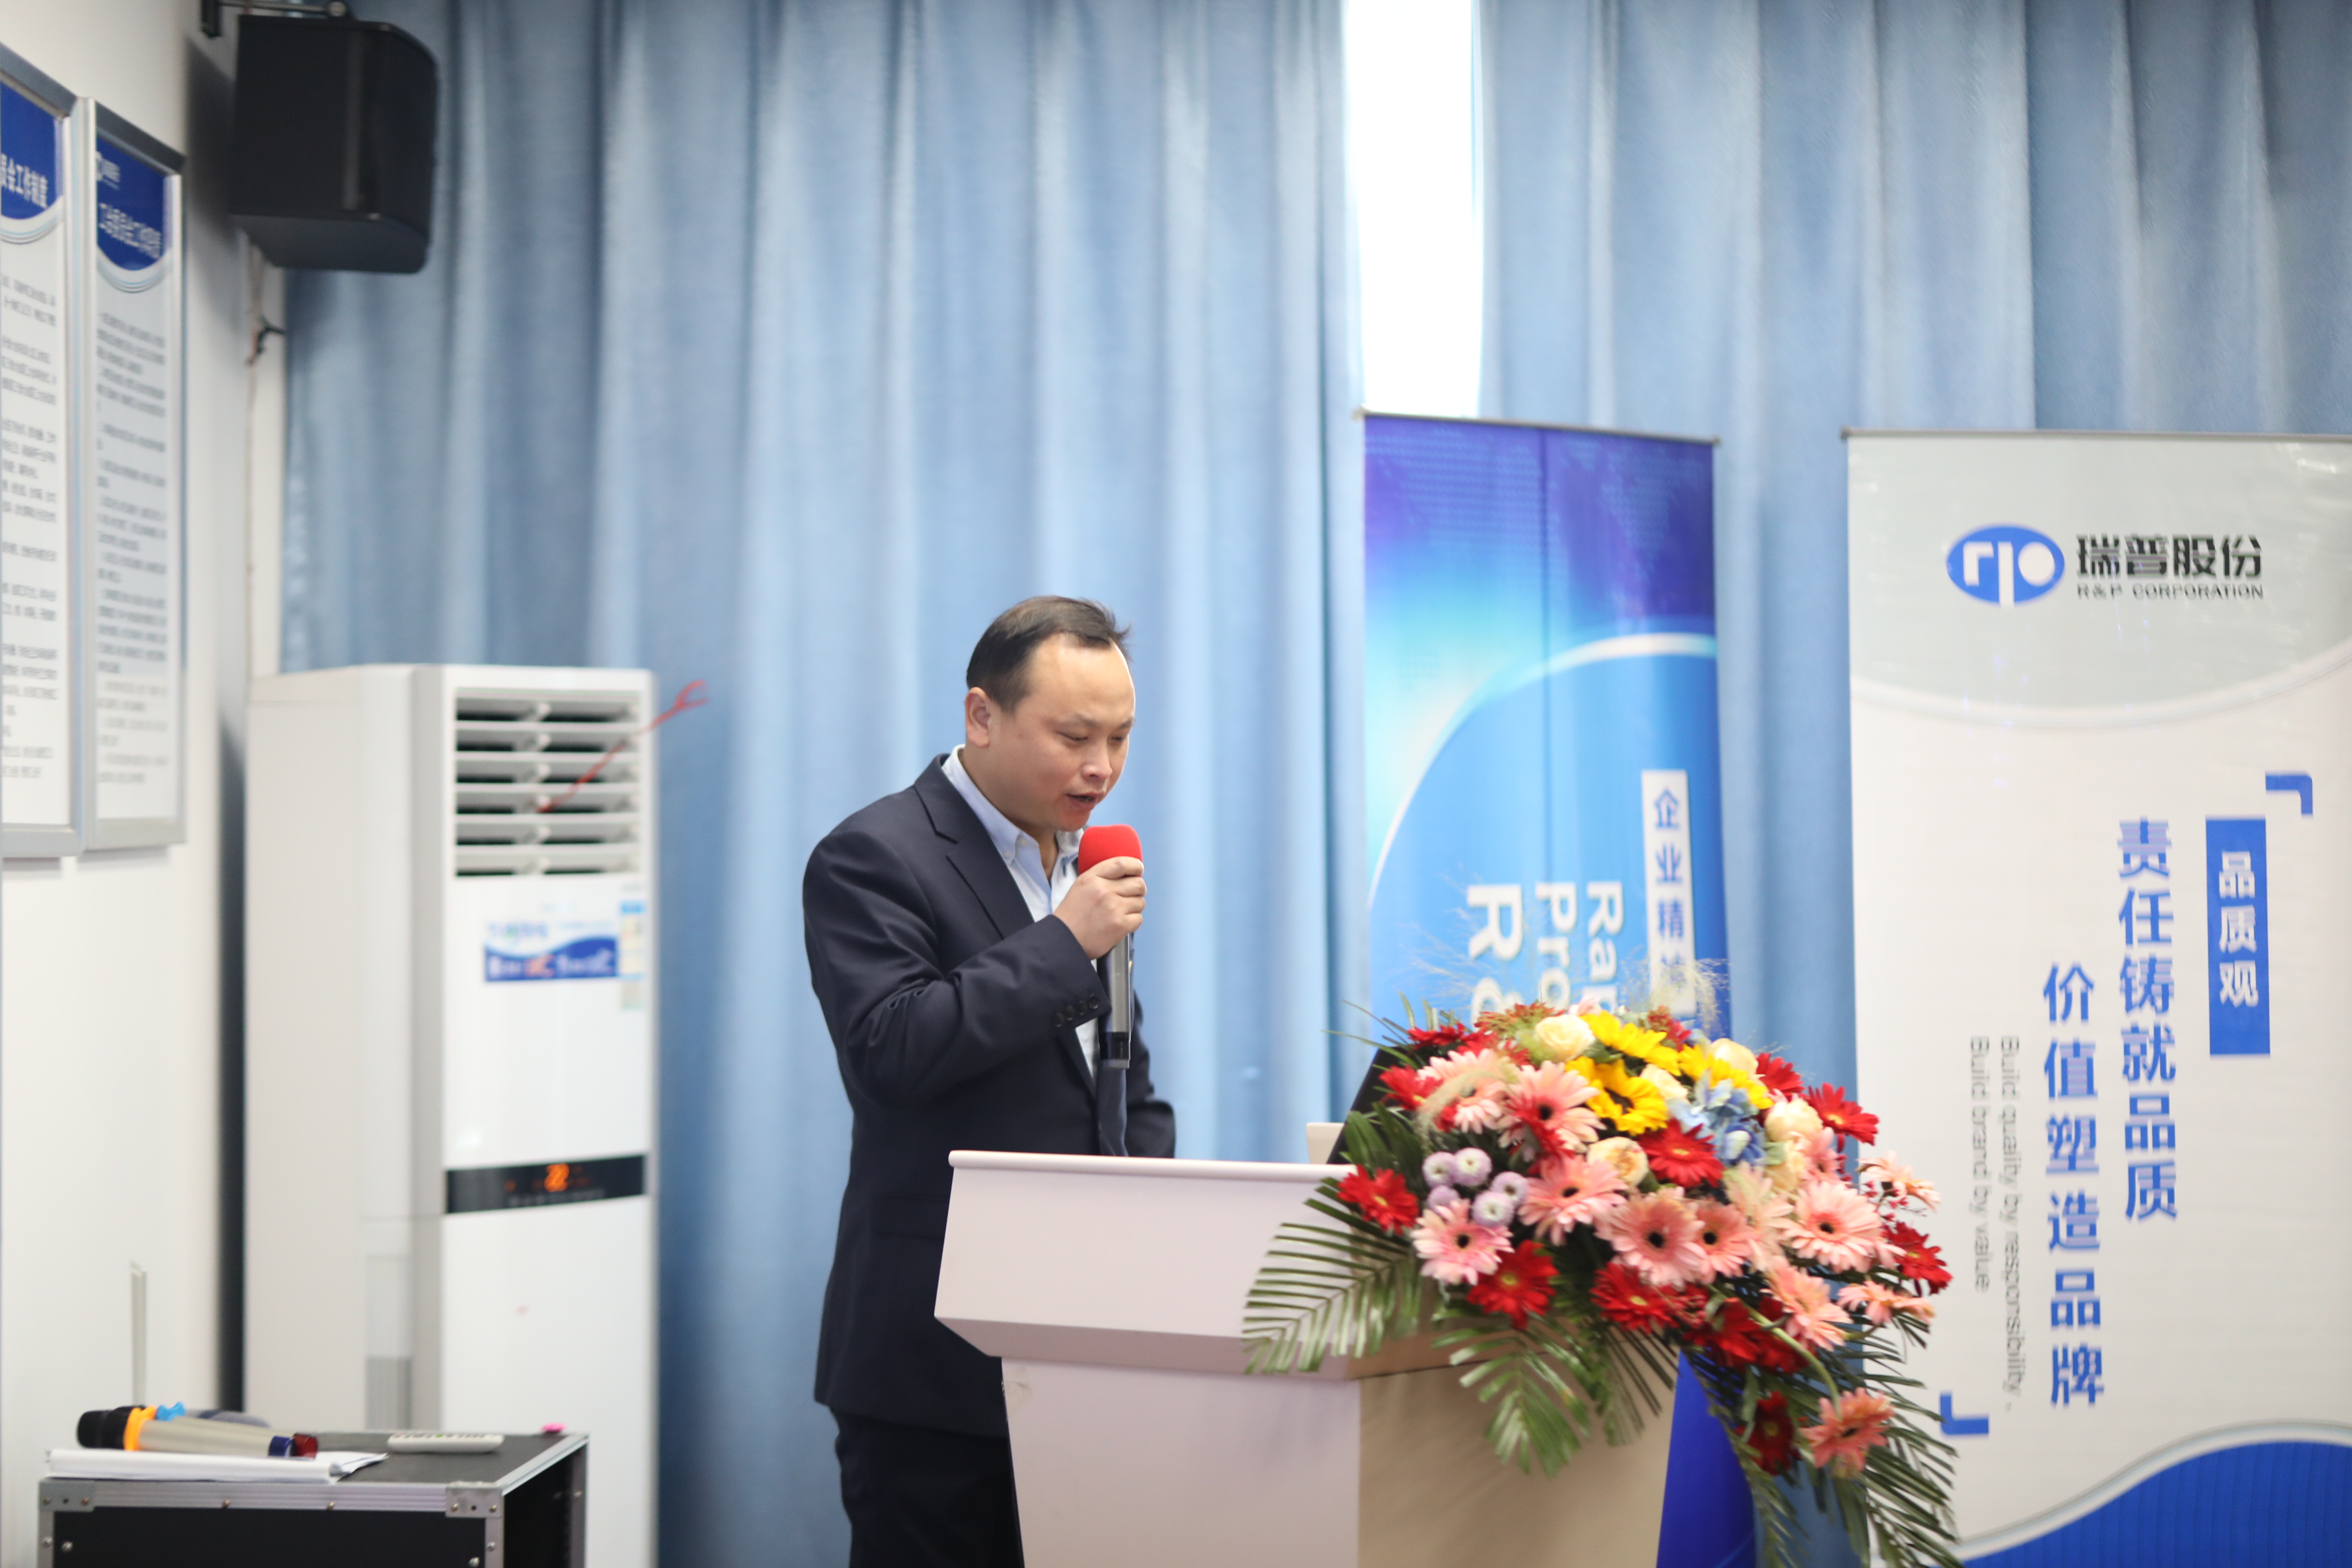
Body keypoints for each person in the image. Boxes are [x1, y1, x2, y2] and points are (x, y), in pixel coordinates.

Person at [803, 596, 1177, 1568]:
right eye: (1074, 737)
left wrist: (1161, 1217)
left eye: (1121, 738)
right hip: (934, 1355)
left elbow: (1116, 1075)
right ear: (982, 716)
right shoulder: (874, 855)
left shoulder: (1082, 862)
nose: (1102, 767)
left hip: (1087, 1337)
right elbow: (892, 1050)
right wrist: (1063, 943)